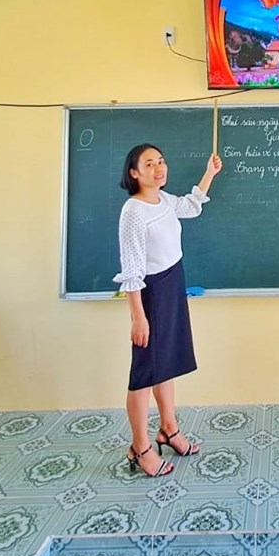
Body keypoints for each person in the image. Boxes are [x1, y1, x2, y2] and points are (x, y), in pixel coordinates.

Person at [114, 143, 222, 477]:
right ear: (134, 173)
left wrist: (209, 173)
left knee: (167, 364)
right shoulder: (133, 212)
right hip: (151, 293)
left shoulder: (162, 200)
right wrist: (139, 316)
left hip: (173, 282)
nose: (159, 168)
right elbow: (132, 268)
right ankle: (140, 448)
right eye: (149, 164)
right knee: (144, 372)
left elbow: (190, 207)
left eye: (161, 161)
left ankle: (169, 430)